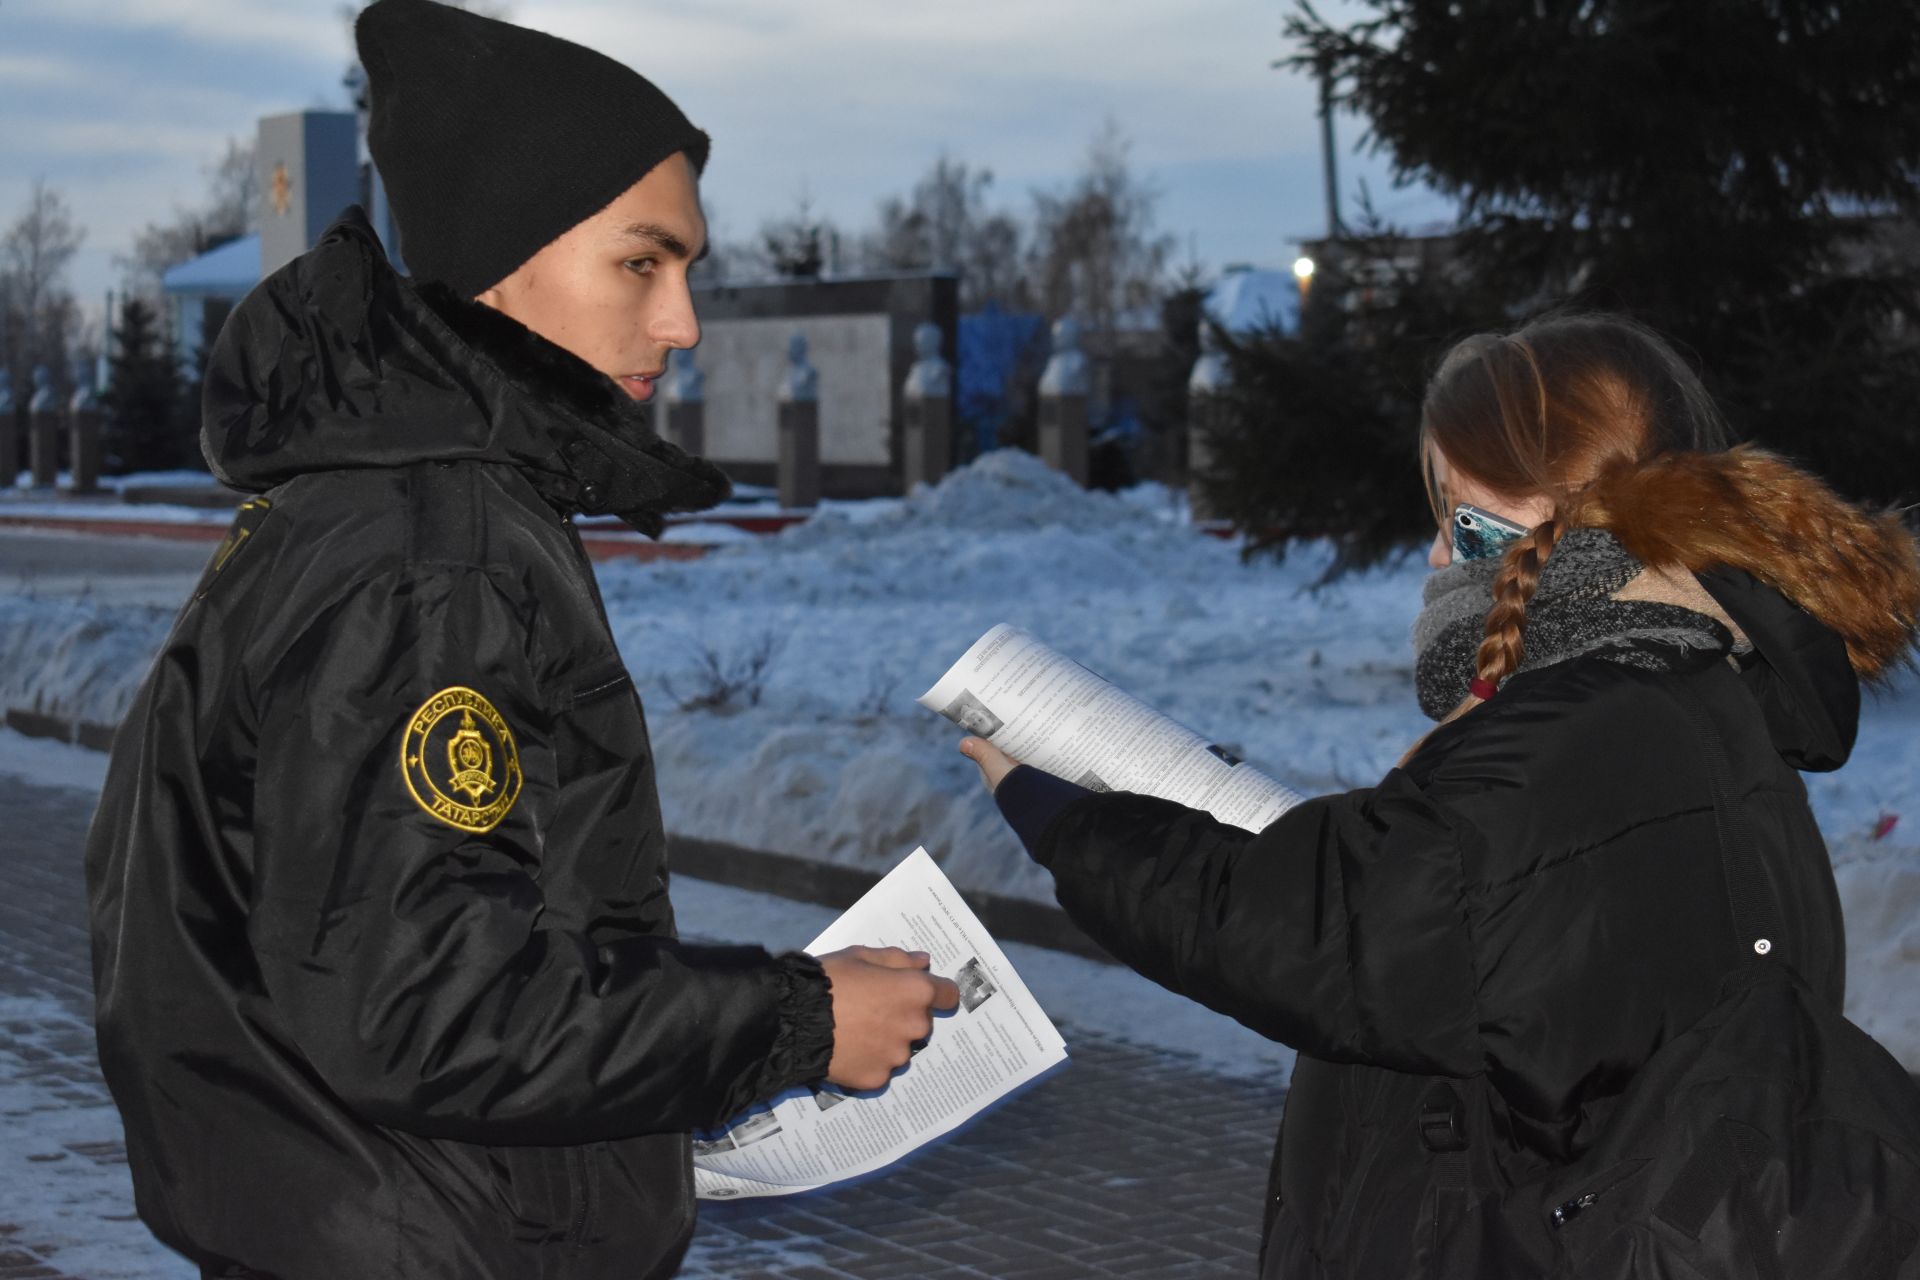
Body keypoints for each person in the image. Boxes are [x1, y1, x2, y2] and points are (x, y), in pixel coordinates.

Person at [84, 3, 956, 1277]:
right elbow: (436, 1008)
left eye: (691, 269)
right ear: (504, 259)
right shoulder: (436, 553)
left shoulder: (396, 503)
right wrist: (797, 1024)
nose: (684, 323)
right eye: (642, 264)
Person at [960, 313, 1920, 1277]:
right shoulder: (1683, 691)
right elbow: (1448, 910)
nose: (1433, 557)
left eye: (1459, 522)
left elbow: (1325, 933)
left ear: (1562, 515)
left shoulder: (1585, 730)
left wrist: (1072, 814)